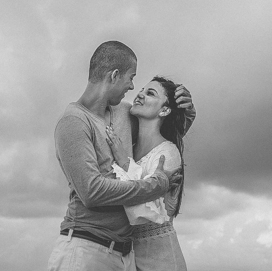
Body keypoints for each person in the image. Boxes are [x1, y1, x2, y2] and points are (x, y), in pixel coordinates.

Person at [48, 41, 196, 271]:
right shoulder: (73, 122)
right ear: (115, 75)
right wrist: (156, 186)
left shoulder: (125, 113)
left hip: (125, 256)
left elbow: (155, 143)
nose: (132, 86)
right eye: (131, 77)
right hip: (86, 249)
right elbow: (92, 192)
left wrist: (186, 114)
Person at [106, 76, 190, 271]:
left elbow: (143, 212)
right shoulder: (128, 147)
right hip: (129, 257)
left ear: (164, 110)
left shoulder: (167, 153)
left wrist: (125, 163)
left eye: (150, 93)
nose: (140, 94)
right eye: (142, 90)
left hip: (162, 258)